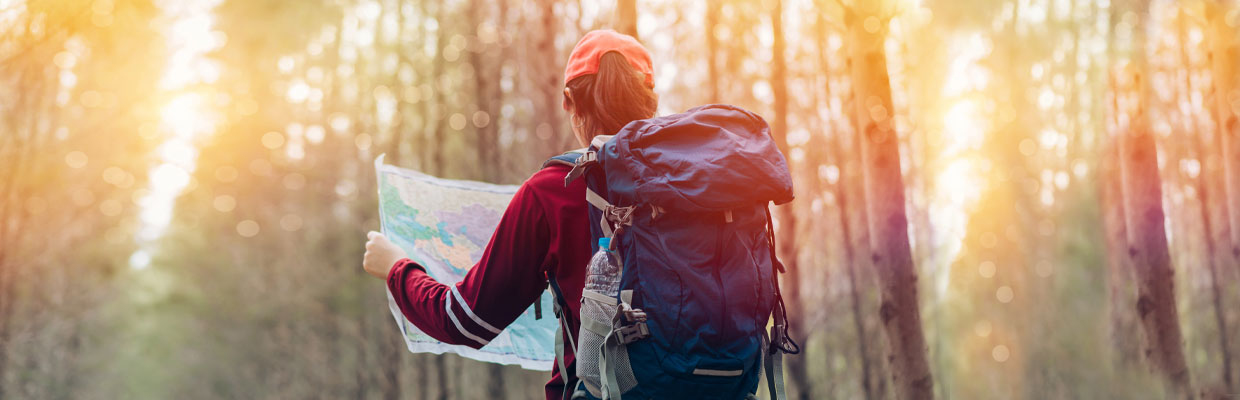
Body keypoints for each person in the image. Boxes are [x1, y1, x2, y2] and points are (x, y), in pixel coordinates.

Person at [361, 29, 658, 400]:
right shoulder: (704, 185)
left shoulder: (553, 191)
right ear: (651, 101)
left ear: (569, 102)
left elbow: (464, 322)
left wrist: (397, 269)